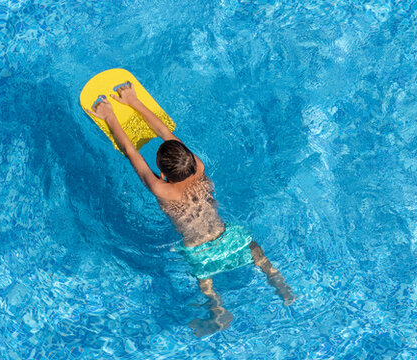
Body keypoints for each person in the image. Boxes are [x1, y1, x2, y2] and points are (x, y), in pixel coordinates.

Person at [85, 82, 295, 337]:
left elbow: (131, 152)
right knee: (260, 258)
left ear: (161, 174)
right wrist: (135, 101)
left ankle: (218, 309)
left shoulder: (162, 189)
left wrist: (110, 116)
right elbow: (167, 133)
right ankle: (281, 286)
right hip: (226, 233)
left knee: (207, 285)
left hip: (198, 247)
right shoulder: (198, 165)